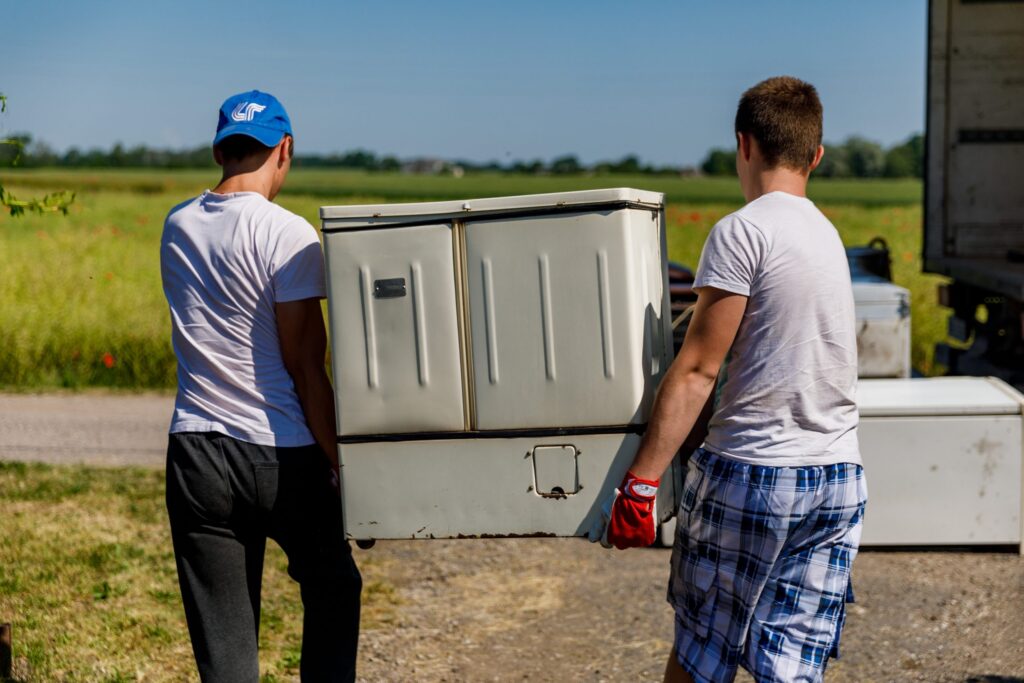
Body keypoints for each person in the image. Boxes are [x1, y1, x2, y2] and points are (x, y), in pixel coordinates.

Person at [590, 76, 867, 683]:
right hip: (838, 479)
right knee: (791, 667)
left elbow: (696, 370)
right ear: (815, 155)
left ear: (744, 144)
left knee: (702, 653)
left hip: (755, 472)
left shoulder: (744, 230)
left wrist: (640, 483)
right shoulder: (826, 234)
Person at [160, 90, 361, 682]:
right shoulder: (289, 234)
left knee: (226, 648)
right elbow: (305, 366)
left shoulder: (177, 225)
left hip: (195, 451)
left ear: (221, 150)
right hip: (280, 452)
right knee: (333, 586)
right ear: (285, 150)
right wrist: (341, 465)